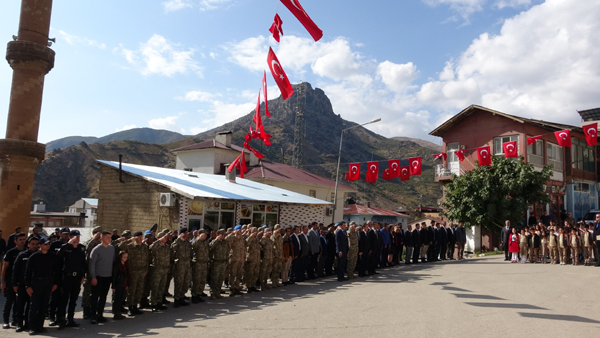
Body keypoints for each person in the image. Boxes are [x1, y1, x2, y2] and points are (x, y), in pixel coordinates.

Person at [25, 238, 58, 335]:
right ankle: (32, 327)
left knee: (44, 305)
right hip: (36, 283)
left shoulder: (52, 256)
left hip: (48, 283)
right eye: (45, 244)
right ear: (40, 245)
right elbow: (28, 273)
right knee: (34, 306)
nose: (47, 246)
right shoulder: (34, 257)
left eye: (48, 244)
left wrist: (55, 283)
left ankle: (40, 326)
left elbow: (57, 271)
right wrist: (28, 286)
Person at [55, 230, 87, 329]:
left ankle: (70, 319)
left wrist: (83, 275)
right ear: (70, 237)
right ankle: (61, 319)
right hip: (66, 277)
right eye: (75, 236)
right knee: (63, 299)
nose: (77, 238)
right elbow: (58, 256)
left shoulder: (81, 248)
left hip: (77, 277)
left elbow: (83, 263)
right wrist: (68, 244)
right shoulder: (65, 247)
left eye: (78, 236)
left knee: (73, 299)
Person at [88, 231, 115, 324]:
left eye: (110, 237)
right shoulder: (96, 249)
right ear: (101, 238)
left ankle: (100, 314)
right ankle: (93, 315)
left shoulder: (112, 249)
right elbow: (92, 264)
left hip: (108, 277)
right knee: (95, 297)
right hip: (98, 277)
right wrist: (93, 277)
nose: (109, 239)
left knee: (103, 297)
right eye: (107, 237)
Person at [12, 236, 37, 332]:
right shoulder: (22, 256)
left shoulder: (39, 255)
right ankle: (19, 324)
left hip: (34, 285)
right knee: (20, 306)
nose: (34, 246)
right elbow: (15, 271)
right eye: (32, 244)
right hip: (22, 285)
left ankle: (28, 323)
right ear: (28, 245)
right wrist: (14, 284)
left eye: (36, 244)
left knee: (30, 307)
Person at [121, 231, 149, 316]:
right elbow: (120, 246)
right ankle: (130, 307)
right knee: (132, 290)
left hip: (142, 272)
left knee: (139, 290)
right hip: (133, 272)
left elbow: (147, 259)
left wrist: (145, 270)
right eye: (138, 236)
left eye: (141, 236)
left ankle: (135, 306)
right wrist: (130, 240)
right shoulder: (130, 246)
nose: (140, 238)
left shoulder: (145, 247)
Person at [2, 232, 26, 330]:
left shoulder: (27, 252)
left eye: (24, 239)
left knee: (19, 303)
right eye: (20, 240)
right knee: (9, 301)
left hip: (21, 281)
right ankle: (6, 321)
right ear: (15, 241)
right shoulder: (10, 252)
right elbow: (4, 267)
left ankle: (15, 320)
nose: (22, 241)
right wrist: (2, 281)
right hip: (10, 281)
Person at [82, 226, 102, 319]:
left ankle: (94, 309)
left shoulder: (101, 243)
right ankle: (86, 310)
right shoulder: (90, 242)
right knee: (87, 291)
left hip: (99, 271)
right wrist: (94, 239)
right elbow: (87, 249)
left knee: (96, 292)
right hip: (90, 271)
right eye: (98, 233)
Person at [149, 230, 171, 312]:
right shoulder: (156, 246)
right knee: (155, 287)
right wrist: (158, 240)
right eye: (163, 237)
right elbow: (151, 247)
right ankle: (153, 303)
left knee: (162, 286)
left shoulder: (167, 246)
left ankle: (159, 302)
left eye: (165, 237)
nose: (165, 238)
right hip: (157, 269)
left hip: (165, 269)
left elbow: (168, 258)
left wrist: (168, 268)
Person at [171, 228, 192, 307]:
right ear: (182, 234)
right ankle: (176, 299)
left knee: (185, 282)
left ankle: (182, 297)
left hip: (186, 264)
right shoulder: (178, 242)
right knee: (179, 282)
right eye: (186, 233)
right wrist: (178, 239)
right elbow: (172, 248)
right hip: (179, 265)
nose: (187, 234)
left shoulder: (187, 242)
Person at [209, 230, 230, 299]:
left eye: (224, 235)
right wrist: (217, 239)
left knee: (221, 278)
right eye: (222, 235)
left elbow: (227, 252)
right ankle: (213, 293)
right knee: (215, 278)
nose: (223, 236)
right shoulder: (214, 242)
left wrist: (227, 261)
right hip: (216, 262)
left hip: (223, 262)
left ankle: (218, 293)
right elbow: (210, 247)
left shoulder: (225, 242)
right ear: (218, 234)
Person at [191, 230, 209, 301]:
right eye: (202, 235)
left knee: (202, 279)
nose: (204, 237)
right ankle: (194, 295)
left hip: (204, 263)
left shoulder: (205, 242)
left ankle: (199, 293)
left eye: (205, 236)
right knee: (197, 279)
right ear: (199, 235)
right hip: (198, 263)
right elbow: (192, 247)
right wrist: (198, 238)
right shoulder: (197, 241)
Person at [112, 251, 129, 320]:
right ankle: (116, 313)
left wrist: (127, 284)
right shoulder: (117, 265)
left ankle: (119, 312)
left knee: (121, 298)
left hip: (123, 283)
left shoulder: (125, 264)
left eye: (126, 257)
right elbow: (114, 276)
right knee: (117, 299)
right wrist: (113, 286)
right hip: (118, 284)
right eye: (124, 257)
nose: (125, 258)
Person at [245, 228, 261, 292]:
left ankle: (252, 285)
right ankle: (248, 286)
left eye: (257, 232)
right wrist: (251, 236)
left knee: (256, 273)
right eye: (255, 232)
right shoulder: (249, 239)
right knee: (249, 274)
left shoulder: (257, 240)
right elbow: (246, 244)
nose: (256, 233)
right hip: (251, 259)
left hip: (257, 259)